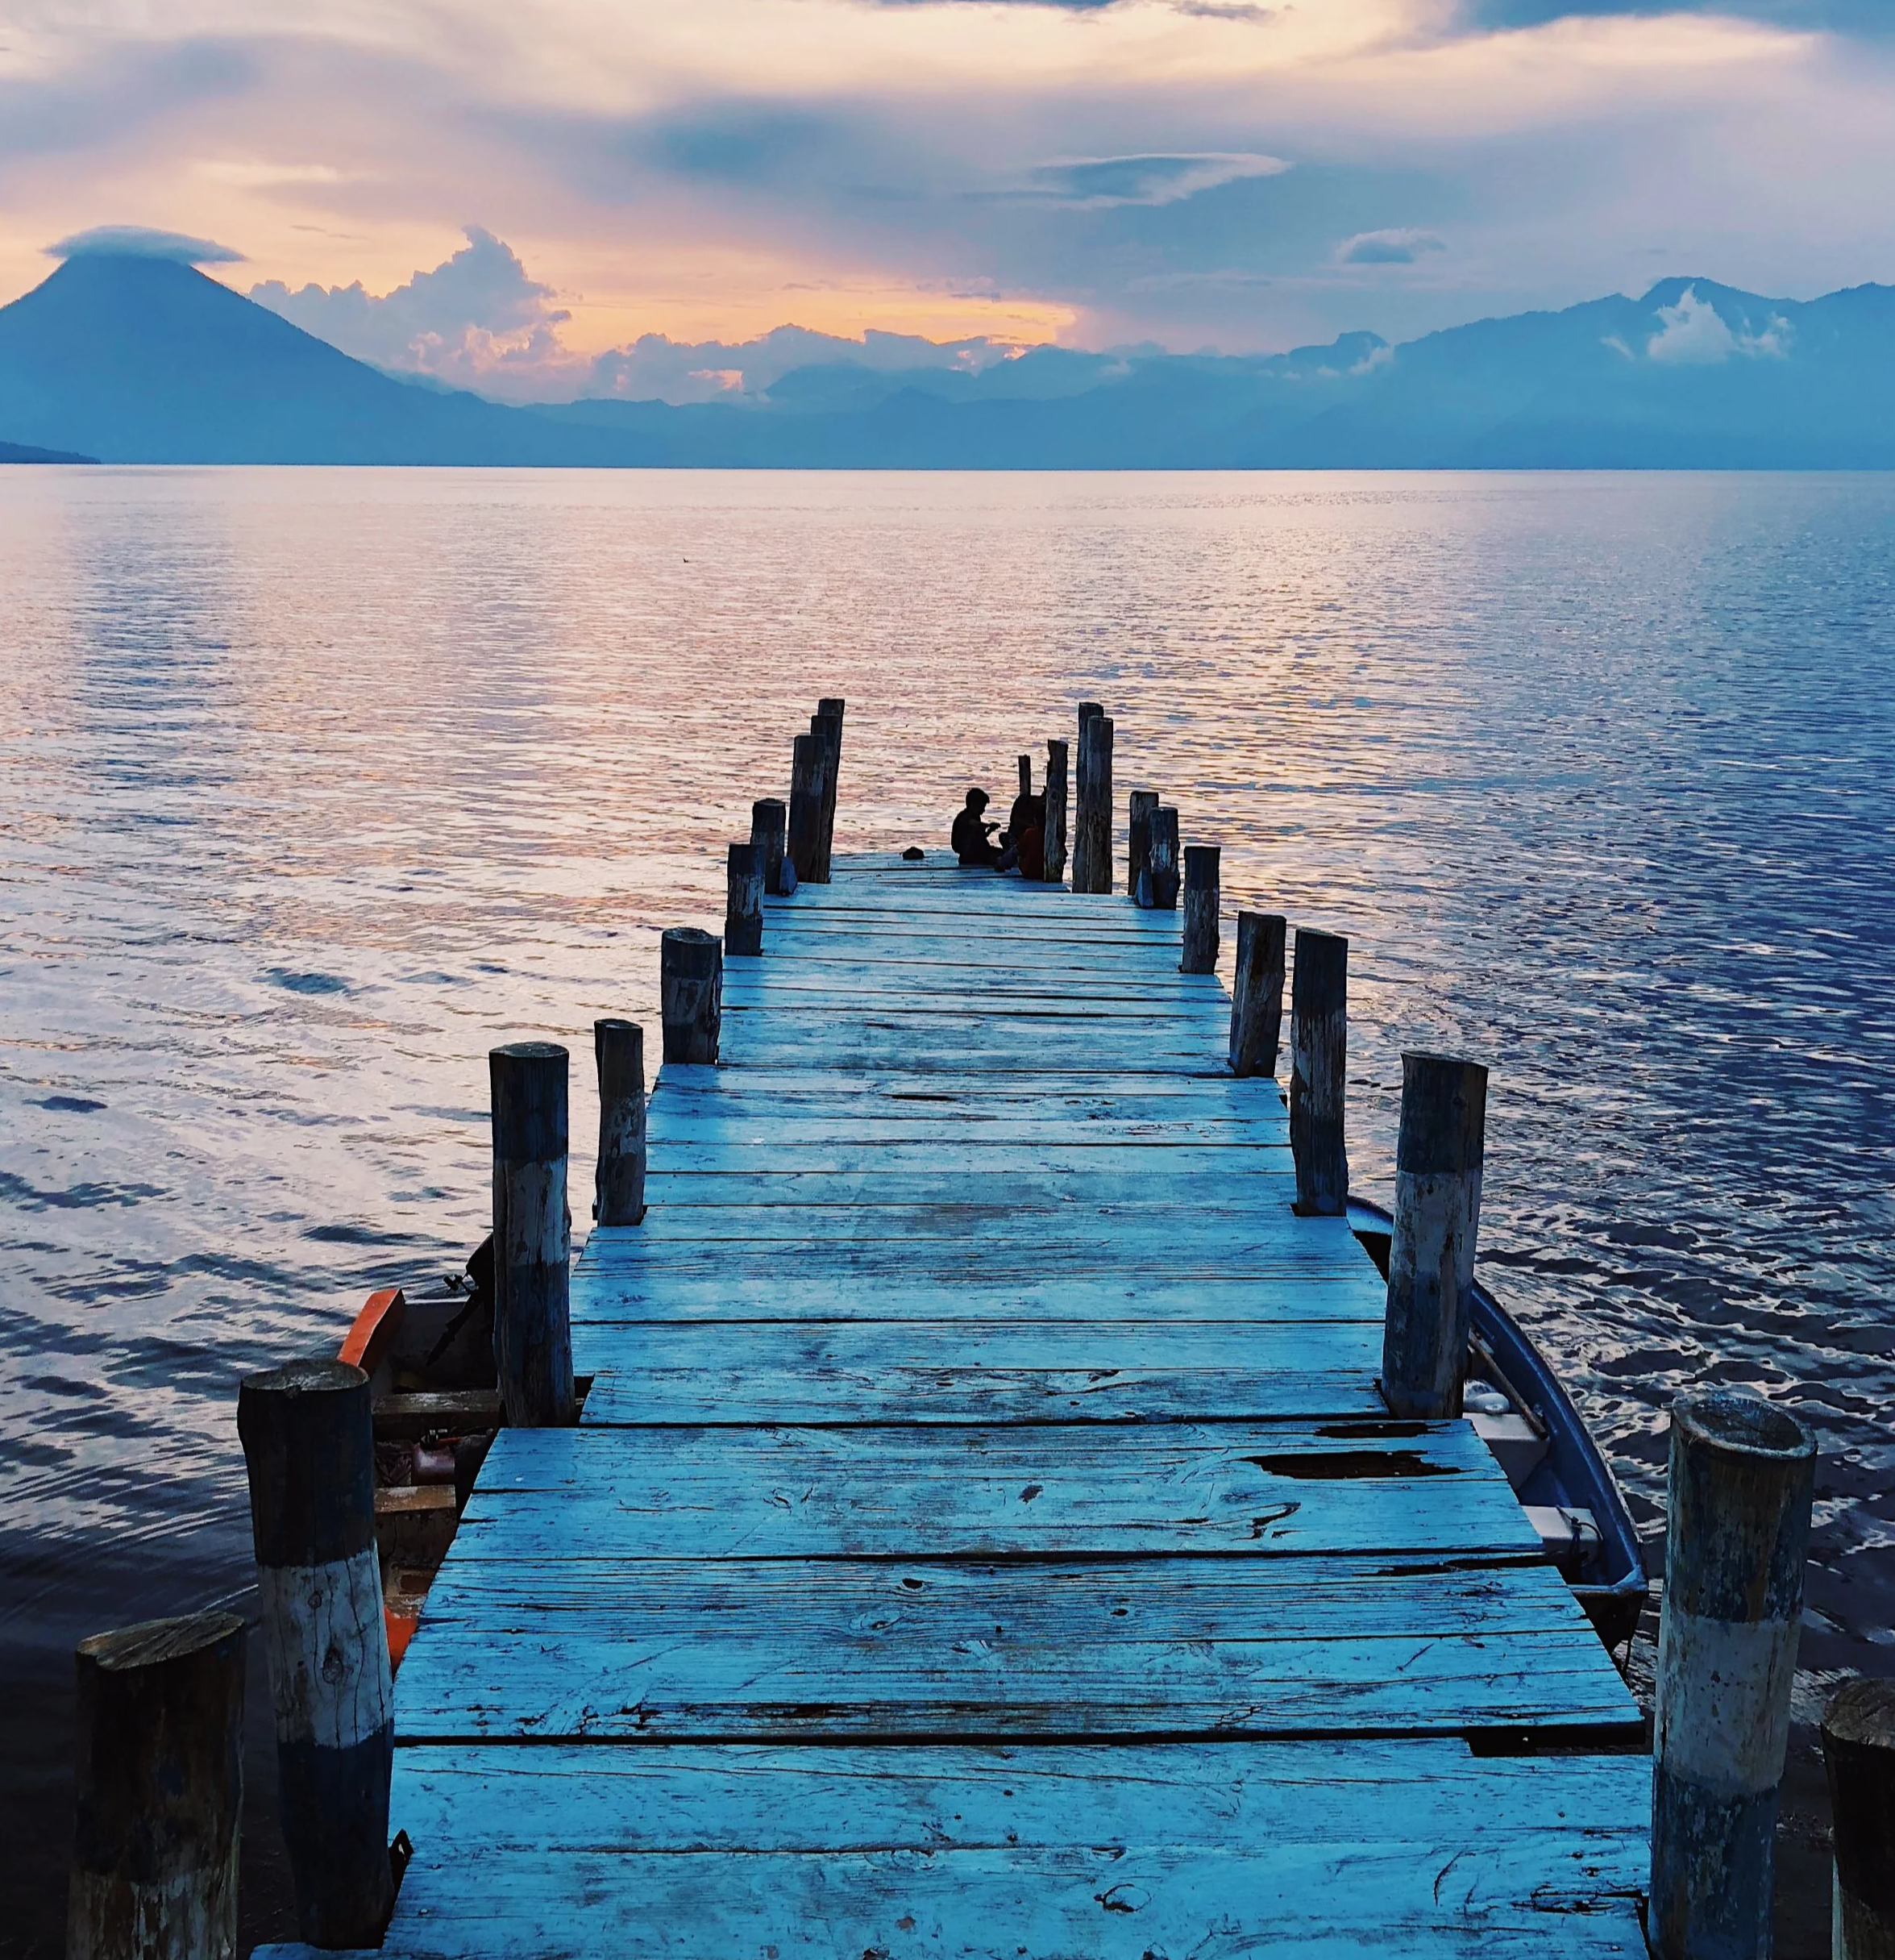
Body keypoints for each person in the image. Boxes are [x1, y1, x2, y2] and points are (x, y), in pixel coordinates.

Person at [952, 788, 1004, 868]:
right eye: (982, 807)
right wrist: (989, 825)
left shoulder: (976, 817)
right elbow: (975, 825)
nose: (983, 810)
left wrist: (990, 830)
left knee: (1000, 852)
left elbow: (982, 836)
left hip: (973, 846)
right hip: (965, 848)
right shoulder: (965, 817)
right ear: (974, 805)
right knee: (978, 833)